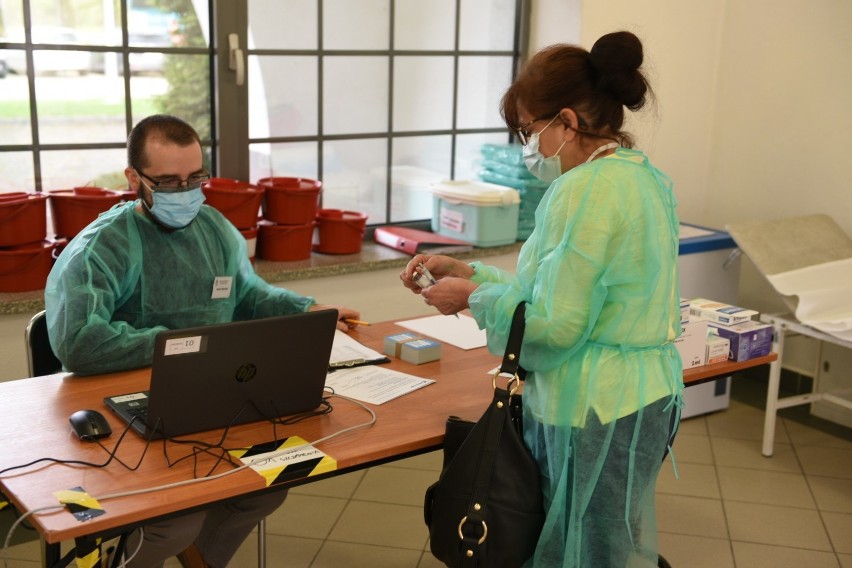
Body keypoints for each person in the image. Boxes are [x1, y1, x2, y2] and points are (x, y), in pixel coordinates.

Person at [401, 32, 682, 567]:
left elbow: (553, 329)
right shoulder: (642, 177)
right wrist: (470, 273)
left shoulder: (581, 191)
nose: (526, 145)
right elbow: (557, 292)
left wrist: (474, 298)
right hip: (642, 396)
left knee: (576, 550)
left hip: (590, 405)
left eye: (529, 130)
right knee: (609, 541)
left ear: (567, 122)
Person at [45, 114, 360, 568]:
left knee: (268, 485)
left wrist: (308, 311)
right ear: (134, 178)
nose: (186, 192)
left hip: (211, 393)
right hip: (127, 406)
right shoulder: (105, 247)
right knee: (174, 522)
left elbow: (249, 294)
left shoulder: (213, 229)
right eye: (169, 182)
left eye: (196, 178)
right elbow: (80, 341)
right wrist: (183, 344)